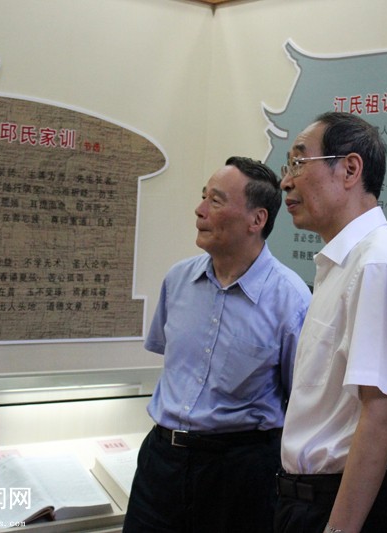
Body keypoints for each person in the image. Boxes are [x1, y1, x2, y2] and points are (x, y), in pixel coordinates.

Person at [123, 156, 311, 533]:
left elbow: (300, 399)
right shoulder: (178, 280)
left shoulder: (291, 299)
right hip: (161, 464)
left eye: (216, 200)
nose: (200, 210)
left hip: (239, 474)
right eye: (203, 196)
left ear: (257, 220)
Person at [274, 111, 387, 533]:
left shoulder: (377, 263)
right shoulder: (343, 262)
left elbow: (380, 414)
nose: (286, 181)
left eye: (298, 163)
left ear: (349, 169)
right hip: (305, 499)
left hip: (342, 506)